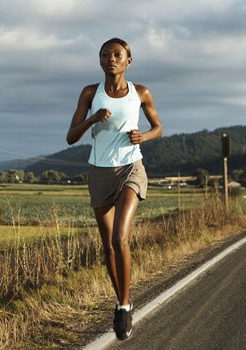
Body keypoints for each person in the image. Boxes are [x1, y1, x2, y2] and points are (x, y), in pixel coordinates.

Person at [66, 38, 163, 340]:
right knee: (108, 244)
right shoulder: (89, 93)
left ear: (128, 61)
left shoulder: (140, 93)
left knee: (121, 237)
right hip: (99, 172)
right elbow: (70, 136)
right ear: (100, 61)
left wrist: (144, 137)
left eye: (117, 55)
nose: (111, 59)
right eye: (105, 54)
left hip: (131, 168)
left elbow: (158, 126)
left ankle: (123, 305)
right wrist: (93, 119)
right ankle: (121, 298)